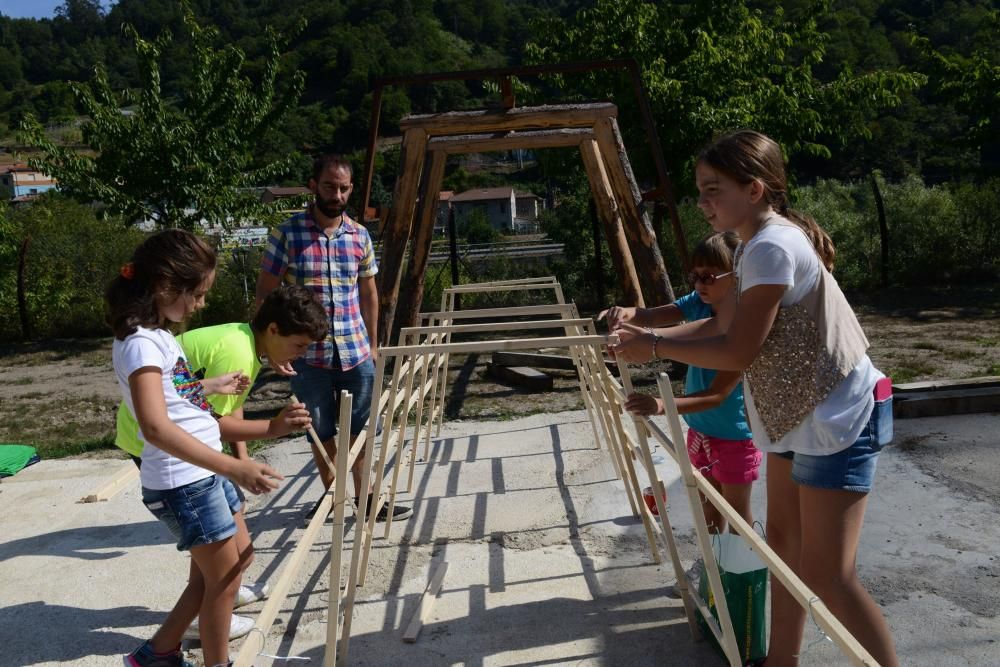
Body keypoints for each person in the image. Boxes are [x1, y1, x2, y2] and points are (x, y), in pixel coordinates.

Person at [611, 130, 898, 667]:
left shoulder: (769, 246)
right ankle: (781, 661)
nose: (703, 202)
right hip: (802, 415)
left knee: (829, 576)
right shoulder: (754, 245)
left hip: (839, 415)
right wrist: (648, 330)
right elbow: (715, 322)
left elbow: (739, 348)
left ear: (756, 189)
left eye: (713, 189)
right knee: (784, 551)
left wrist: (649, 345)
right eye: (700, 190)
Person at [109, 229, 311, 667]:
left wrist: (218, 390)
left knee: (223, 570)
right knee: (224, 579)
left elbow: (183, 396)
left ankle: (158, 653)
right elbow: (156, 426)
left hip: (200, 475)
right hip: (183, 481)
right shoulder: (141, 343)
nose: (200, 304)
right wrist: (234, 467)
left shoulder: (159, 336)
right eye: (197, 294)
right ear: (165, 286)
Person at [255, 154, 411, 524]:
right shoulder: (287, 234)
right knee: (319, 429)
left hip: (356, 352)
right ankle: (332, 501)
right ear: (313, 186)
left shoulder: (360, 236)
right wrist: (267, 345)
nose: (336, 194)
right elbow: (265, 294)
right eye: (329, 186)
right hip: (308, 359)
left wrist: (373, 343)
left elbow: (370, 294)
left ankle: (367, 499)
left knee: (361, 430)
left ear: (351, 190)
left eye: (343, 188)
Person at [602, 232, 760, 538]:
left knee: (738, 517)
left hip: (735, 439)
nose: (701, 283)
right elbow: (650, 315)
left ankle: (742, 577)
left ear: (738, 276)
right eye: (696, 276)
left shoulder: (744, 327)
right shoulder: (698, 304)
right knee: (710, 512)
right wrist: (624, 313)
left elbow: (716, 395)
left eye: (710, 276)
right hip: (699, 432)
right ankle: (715, 573)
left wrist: (661, 405)